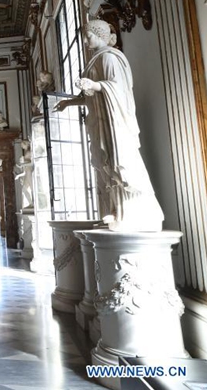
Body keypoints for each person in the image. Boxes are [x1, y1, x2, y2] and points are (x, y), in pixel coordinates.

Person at [53, 19, 163, 231]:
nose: (86, 40)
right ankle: (115, 209)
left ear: (100, 35)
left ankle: (131, 212)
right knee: (104, 164)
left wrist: (94, 85)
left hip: (113, 121)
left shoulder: (109, 58)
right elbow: (91, 97)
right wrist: (70, 102)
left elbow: (117, 87)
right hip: (99, 119)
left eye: (89, 36)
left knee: (117, 162)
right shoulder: (95, 60)